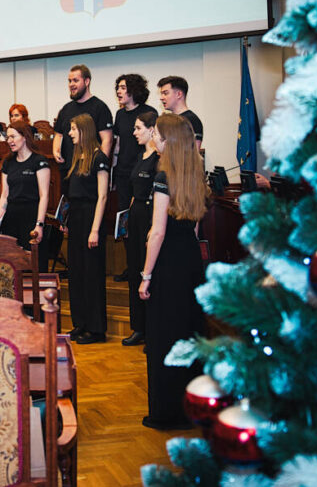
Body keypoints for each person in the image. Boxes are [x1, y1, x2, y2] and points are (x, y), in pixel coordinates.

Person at [138, 113, 209, 430]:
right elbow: (194, 227)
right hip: (191, 260)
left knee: (164, 337)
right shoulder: (195, 171)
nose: (153, 137)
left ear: (167, 141)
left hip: (167, 264)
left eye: (156, 134)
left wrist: (146, 275)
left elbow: (157, 232)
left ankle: (165, 412)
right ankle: (192, 406)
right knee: (188, 333)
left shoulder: (163, 176)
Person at [65, 114, 110, 345]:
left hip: (91, 219)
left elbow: (102, 197)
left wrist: (94, 230)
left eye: (73, 129)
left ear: (84, 130)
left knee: (92, 275)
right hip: (76, 218)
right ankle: (80, 323)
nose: (70, 133)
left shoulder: (98, 157)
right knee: (77, 274)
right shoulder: (77, 156)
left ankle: (96, 329)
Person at [112, 74, 158, 282]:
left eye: (123, 87)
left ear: (133, 89)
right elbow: (118, 145)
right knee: (126, 222)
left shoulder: (149, 113)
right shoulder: (120, 115)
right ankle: (131, 266)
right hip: (123, 173)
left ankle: (145, 265)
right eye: (118, 88)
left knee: (145, 220)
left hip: (144, 173)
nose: (119, 91)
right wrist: (113, 171)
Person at [122, 111, 159, 346]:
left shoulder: (159, 158)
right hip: (135, 217)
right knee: (134, 268)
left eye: (138, 128)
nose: (134, 132)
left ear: (152, 129)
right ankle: (139, 327)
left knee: (149, 272)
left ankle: (153, 330)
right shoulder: (139, 155)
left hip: (150, 217)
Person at [53, 64, 114, 193]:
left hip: (88, 174)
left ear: (87, 81)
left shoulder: (100, 108)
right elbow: (58, 134)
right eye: (69, 81)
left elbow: (107, 140)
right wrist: (56, 150)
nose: (71, 84)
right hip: (68, 170)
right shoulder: (66, 109)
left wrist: (97, 167)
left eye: (75, 80)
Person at [0, 122, 50, 251]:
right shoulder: (8, 163)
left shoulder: (39, 161)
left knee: (33, 262)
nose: (10, 141)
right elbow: (4, 196)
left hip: (31, 215)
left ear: (24, 137)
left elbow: (44, 195)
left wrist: (39, 225)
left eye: (13, 137)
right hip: (11, 216)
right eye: (8, 138)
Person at [158, 75, 204, 149]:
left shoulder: (192, 120)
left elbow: (194, 154)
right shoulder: (168, 120)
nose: (161, 98)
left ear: (179, 94)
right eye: (161, 94)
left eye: (165, 93)